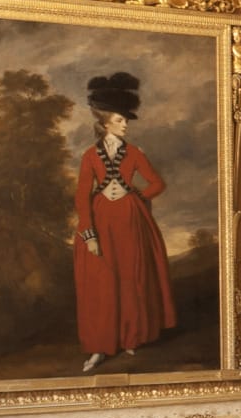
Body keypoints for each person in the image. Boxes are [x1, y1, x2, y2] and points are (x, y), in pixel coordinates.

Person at [72, 72, 176, 373]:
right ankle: (99, 347)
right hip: (101, 222)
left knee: (131, 280)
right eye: (120, 120)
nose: (126, 124)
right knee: (101, 285)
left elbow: (157, 184)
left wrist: (135, 195)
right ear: (105, 123)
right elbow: (82, 197)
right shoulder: (90, 156)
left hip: (130, 221)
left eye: (125, 120)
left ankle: (131, 336)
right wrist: (89, 235)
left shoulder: (134, 153)